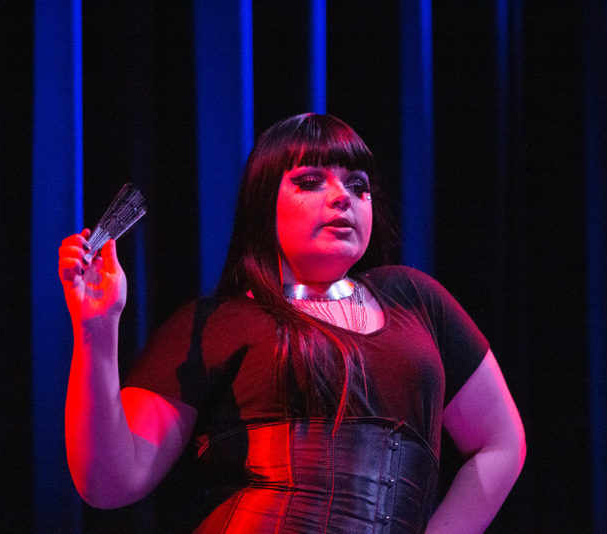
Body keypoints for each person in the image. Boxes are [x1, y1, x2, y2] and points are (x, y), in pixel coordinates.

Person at [58, 113, 525, 533]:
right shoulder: (213, 324)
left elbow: (500, 442)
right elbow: (110, 483)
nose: (342, 197)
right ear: (264, 204)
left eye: (358, 185)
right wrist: (96, 329)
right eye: (311, 181)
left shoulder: (416, 301)